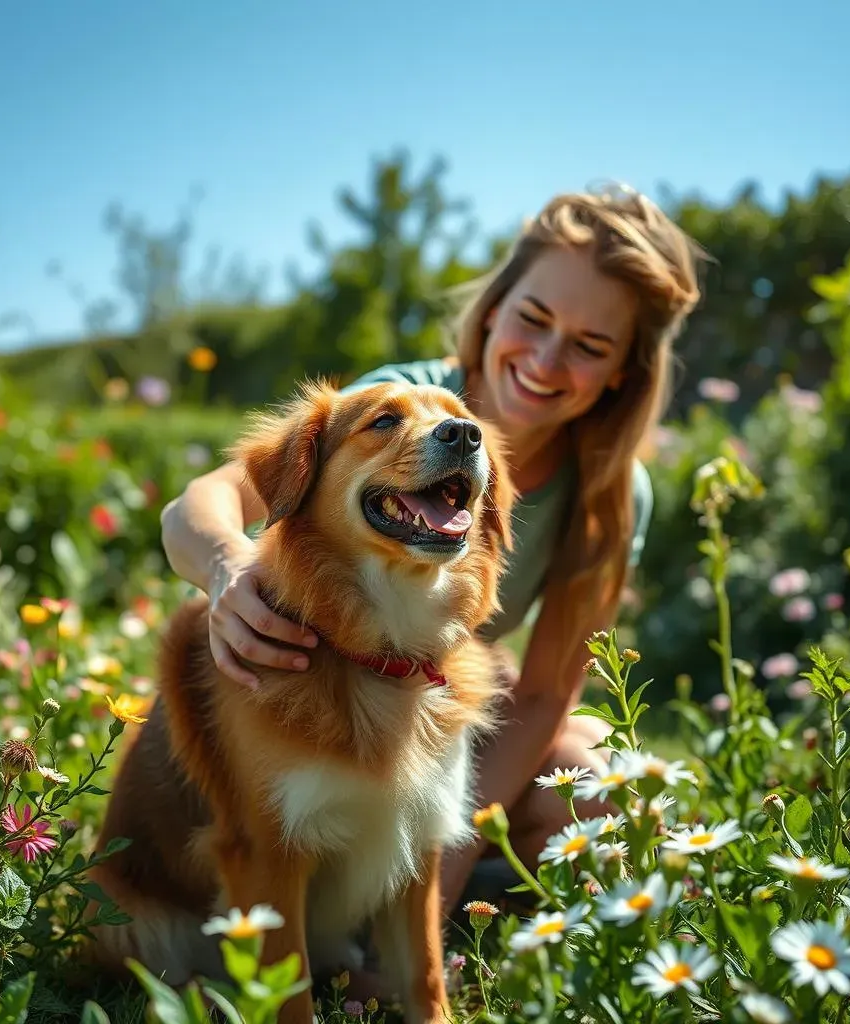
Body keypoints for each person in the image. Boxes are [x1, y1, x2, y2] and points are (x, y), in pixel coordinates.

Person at [159, 185, 704, 918]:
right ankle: (350, 908)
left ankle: (423, 908)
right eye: (533, 319)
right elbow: (194, 507)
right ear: (494, 309)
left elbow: (545, 694)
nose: (543, 360)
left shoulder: (610, 491)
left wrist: (444, 880)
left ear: (622, 375)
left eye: (588, 347)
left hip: (437, 711)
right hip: (316, 700)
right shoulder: (401, 407)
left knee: (593, 773)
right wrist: (227, 567)